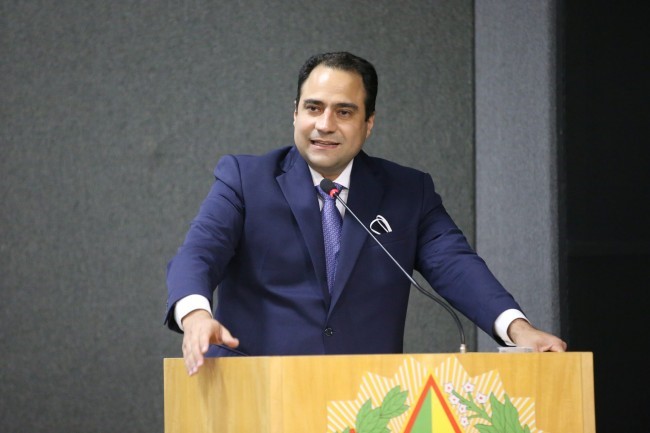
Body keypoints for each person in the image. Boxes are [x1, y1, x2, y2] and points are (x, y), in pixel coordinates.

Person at [165, 51, 567, 376]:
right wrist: (197, 316)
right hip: (256, 393)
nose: (324, 125)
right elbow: (199, 252)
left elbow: (456, 265)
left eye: (344, 112)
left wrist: (519, 330)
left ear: (368, 123)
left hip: (366, 399)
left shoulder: (408, 192)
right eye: (313, 108)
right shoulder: (245, 178)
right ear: (295, 113)